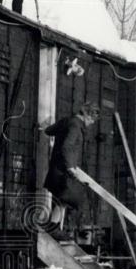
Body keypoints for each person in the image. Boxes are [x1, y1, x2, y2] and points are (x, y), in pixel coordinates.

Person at [42, 102, 98, 239]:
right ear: (87, 115)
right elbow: (67, 146)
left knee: (62, 199)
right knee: (65, 199)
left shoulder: (66, 121)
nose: (91, 123)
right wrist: (70, 167)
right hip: (64, 169)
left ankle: (53, 227)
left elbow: (48, 131)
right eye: (92, 120)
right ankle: (53, 227)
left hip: (56, 166)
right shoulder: (76, 126)